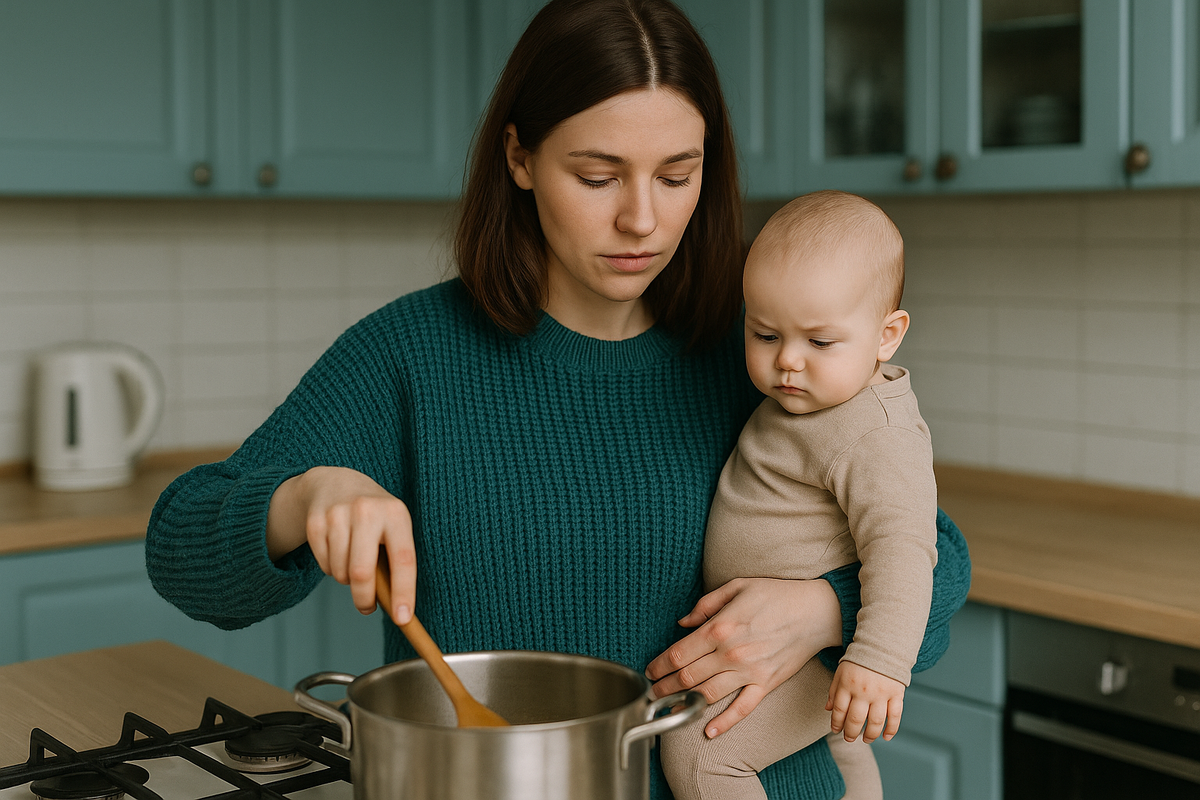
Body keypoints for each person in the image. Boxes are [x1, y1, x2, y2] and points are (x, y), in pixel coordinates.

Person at [144, 2, 970, 798]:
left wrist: (825, 609)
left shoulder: (762, 345)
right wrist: (303, 497)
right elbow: (181, 551)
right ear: (520, 158)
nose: (642, 219)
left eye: (678, 175)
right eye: (598, 175)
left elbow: (936, 556)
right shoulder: (409, 355)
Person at [659, 191, 935, 800]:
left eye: (819, 342)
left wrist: (877, 662)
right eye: (764, 333)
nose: (786, 361)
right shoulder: (810, 400)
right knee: (843, 747)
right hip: (787, 654)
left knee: (699, 748)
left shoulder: (875, 435)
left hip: (817, 658)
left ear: (887, 335)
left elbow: (907, 551)